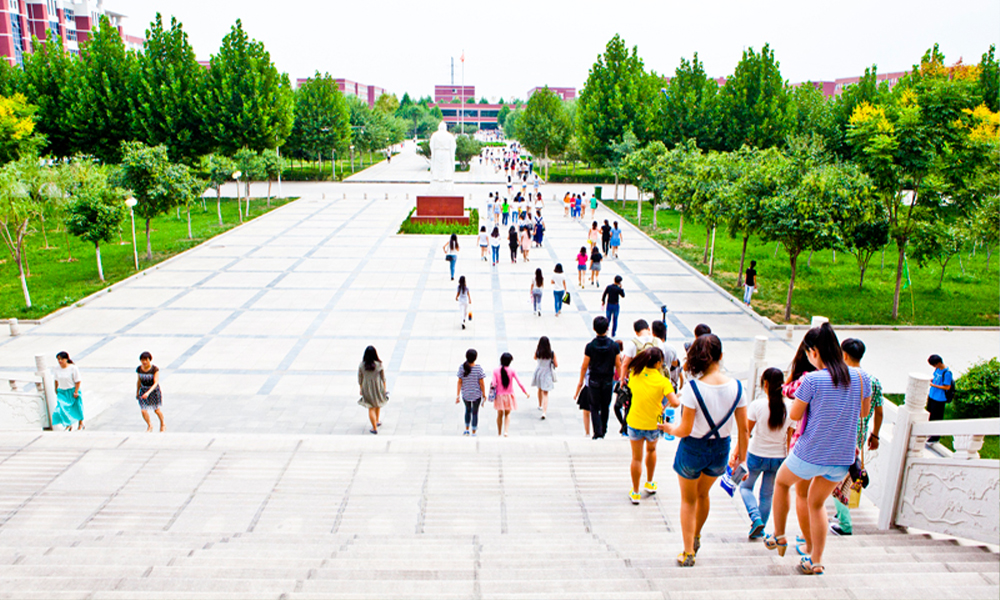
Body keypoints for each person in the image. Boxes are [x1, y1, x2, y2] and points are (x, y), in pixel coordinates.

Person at [765, 322, 871, 576]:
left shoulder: (812, 380)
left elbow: (794, 413)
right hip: (841, 458)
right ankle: (816, 560)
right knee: (816, 504)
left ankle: (779, 535)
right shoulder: (860, 376)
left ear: (814, 352)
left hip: (810, 452)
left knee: (781, 483)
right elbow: (864, 413)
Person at [659, 334, 748, 567]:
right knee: (703, 495)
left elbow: (685, 429)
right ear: (720, 356)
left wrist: (669, 427)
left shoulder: (692, 388)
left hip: (692, 449)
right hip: (721, 449)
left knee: (688, 500)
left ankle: (688, 551)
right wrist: (743, 460)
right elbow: (744, 429)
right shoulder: (738, 387)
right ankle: (697, 535)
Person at [832, 338, 884, 536]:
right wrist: (875, 435)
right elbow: (878, 412)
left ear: (844, 354)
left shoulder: (842, 378)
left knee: (838, 479)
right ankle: (841, 516)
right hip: (859, 437)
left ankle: (845, 524)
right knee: (846, 476)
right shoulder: (873, 381)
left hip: (840, 436)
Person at [740, 367, 795, 539]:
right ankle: (759, 529)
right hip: (778, 458)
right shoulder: (790, 408)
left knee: (745, 487)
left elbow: (746, 432)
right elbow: (790, 439)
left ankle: (755, 518)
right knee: (766, 494)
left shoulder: (757, 405)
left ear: (765, 384)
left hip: (756, 455)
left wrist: (738, 455)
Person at [626, 347, 679, 504]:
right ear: (658, 363)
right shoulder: (663, 381)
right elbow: (676, 402)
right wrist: (665, 404)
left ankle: (635, 492)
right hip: (656, 421)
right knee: (652, 450)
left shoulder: (634, 375)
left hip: (635, 419)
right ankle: (649, 483)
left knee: (636, 458)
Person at [574, 316, 622, 439]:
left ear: (594, 328)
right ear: (607, 328)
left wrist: (580, 381)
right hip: (607, 380)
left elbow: (585, 366)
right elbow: (618, 364)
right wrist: (621, 379)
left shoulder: (590, 346)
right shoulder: (614, 346)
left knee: (594, 406)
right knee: (605, 406)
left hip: (594, 380)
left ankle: (597, 432)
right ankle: (604, 429)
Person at [492, 353, 529, 437]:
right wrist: (525, 392)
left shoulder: (495, 370)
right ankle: (506, 431)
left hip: (499, 396)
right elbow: (519, 382)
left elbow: (493, 384)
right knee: (507, 414)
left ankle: (499, 433)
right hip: (509, 395)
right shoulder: (512, 370)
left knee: (499, 414)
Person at [358, 346, 388, 434]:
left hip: (367, 387)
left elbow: (360, 378)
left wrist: (361, 389)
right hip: (378, 387)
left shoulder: (362, 365)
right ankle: (377, 421)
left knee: (371, 407)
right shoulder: (379, 365)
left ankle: (374, 427)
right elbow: (383, 378)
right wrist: (384, 389)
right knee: (378, 404)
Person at [456, 349, 487, 436]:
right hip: (476, 395)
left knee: (467, 410)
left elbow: (459, 381)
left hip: (466, 394)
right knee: (475, 412)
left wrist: (458, 395)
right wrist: (484, 394)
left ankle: (466, 429)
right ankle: (473, 431)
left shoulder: (462, 367)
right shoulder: (478, 368)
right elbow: (481, 383)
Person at [51, 351, 83, 431]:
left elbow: (78, 381)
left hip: (72, 390)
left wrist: (76, 391)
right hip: (62, 391)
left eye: (61, 359)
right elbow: (56, 380)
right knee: (62, 408)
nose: (60, 361)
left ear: (66, 359)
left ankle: (81, 423)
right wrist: (56, 389)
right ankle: (68, 424)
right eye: (58, 359)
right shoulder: (57, 368)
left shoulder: (73, 368)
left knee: (76, 407)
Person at [925, 354, 953, 442]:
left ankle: (935, 436)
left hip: (940, 398)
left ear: (939, 363)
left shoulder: (947, 373)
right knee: (929, 414)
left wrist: (934, 385)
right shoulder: (937, 369)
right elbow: (935, 378)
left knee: (936, 417)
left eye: (934, 365)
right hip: (932, 395)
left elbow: (947, 387)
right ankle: (928, 431)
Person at [136, 351, 164, 432]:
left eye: (146, 360)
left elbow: (156, 383)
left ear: (149, 360)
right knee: (143, 410)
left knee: (157, 410)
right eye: (142, 360)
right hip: (143, 390)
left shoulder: (154, 369)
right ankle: (149, 425)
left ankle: (162, 423)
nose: (144, 362)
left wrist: (148, 392)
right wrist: (137, 391)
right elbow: (138, 381)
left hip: (153, 391)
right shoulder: (139, 369)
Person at [652, 320, 683, 391]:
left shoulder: (651, 346)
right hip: (667, 382)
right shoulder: (671, 348)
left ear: (653, 333)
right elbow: (675, 364)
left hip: (654, 381)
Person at [531, 336, 558, 419]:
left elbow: (534, 358)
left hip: (539, 372)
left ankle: (540, 405)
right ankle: (544, 412)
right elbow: (556, 365)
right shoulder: (551, 353)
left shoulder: (538, 352)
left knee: (539, 389)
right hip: (547, 373)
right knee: (545, 393)